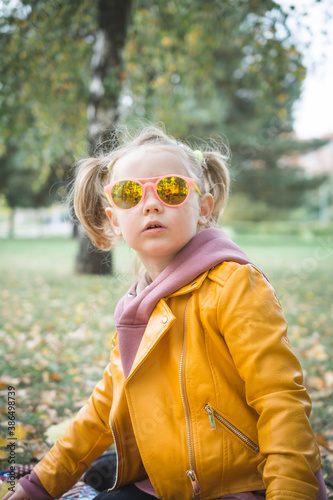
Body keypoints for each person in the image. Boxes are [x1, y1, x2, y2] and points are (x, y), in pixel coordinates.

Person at [4, 126, 327, 500]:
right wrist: (39, 485)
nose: (152, 203)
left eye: (171, 189)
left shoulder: (235, 285)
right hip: (166, 476)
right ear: (114, 220)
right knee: (99, 470)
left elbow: (280, 400)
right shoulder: (138, 305)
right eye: (130, 194)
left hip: (238, 485)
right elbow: (104, 408)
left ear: (203, 208)